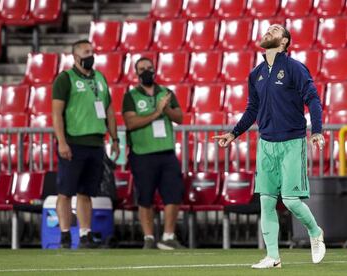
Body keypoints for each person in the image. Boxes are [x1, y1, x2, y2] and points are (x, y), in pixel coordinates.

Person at [213, 24, 326, 268]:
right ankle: (273, 257)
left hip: (292, 142)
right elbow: (252, 109)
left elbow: (313, 99)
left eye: (275, 29)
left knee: (291, 200)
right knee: (266, 201)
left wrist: (316, 131)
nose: (268, 30)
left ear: (284, 41)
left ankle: (316, 232)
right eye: (268, 28)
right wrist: (234, 134)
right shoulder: (256, 74)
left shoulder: (295, 68)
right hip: (266, 144)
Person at [52, 39, 120, 249]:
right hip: (73, 142)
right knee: (65, 191)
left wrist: (115, 138)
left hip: (96, 143)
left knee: (86, 192)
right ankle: (64, 234)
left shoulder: (100, 77)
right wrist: (62, 142)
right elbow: (56, 113)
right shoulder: (65, 79)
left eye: (92, 51)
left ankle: (84, 234)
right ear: (75, 56)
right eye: (86, 51)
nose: (90, 55)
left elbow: (108, 110)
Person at [122, 57, 185, 250]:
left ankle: (168, 236)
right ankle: (148, 238)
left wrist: (165, 109)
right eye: (142, 69)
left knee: (173, 195)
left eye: (149, 68)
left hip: (166, 152)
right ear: (136, 73)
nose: (147, 71)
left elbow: (180, 117)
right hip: (142, 153)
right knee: (145, 197)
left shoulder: (166, 93)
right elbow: (130, 123)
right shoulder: (131, 96)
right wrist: (156, 113)